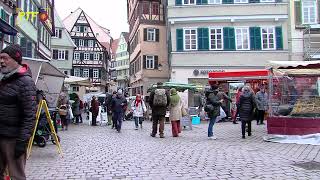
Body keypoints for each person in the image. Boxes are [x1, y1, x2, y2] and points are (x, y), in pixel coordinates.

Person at [0, 44, 37, 180]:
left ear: (16, 60)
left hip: (14, 139)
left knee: (16, 176)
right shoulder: (4, 79)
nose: (1, 61)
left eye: (5, 58)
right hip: (1, 133)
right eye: (0, 58)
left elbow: (29, 115)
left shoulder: (25, 82)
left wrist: (22, 141)